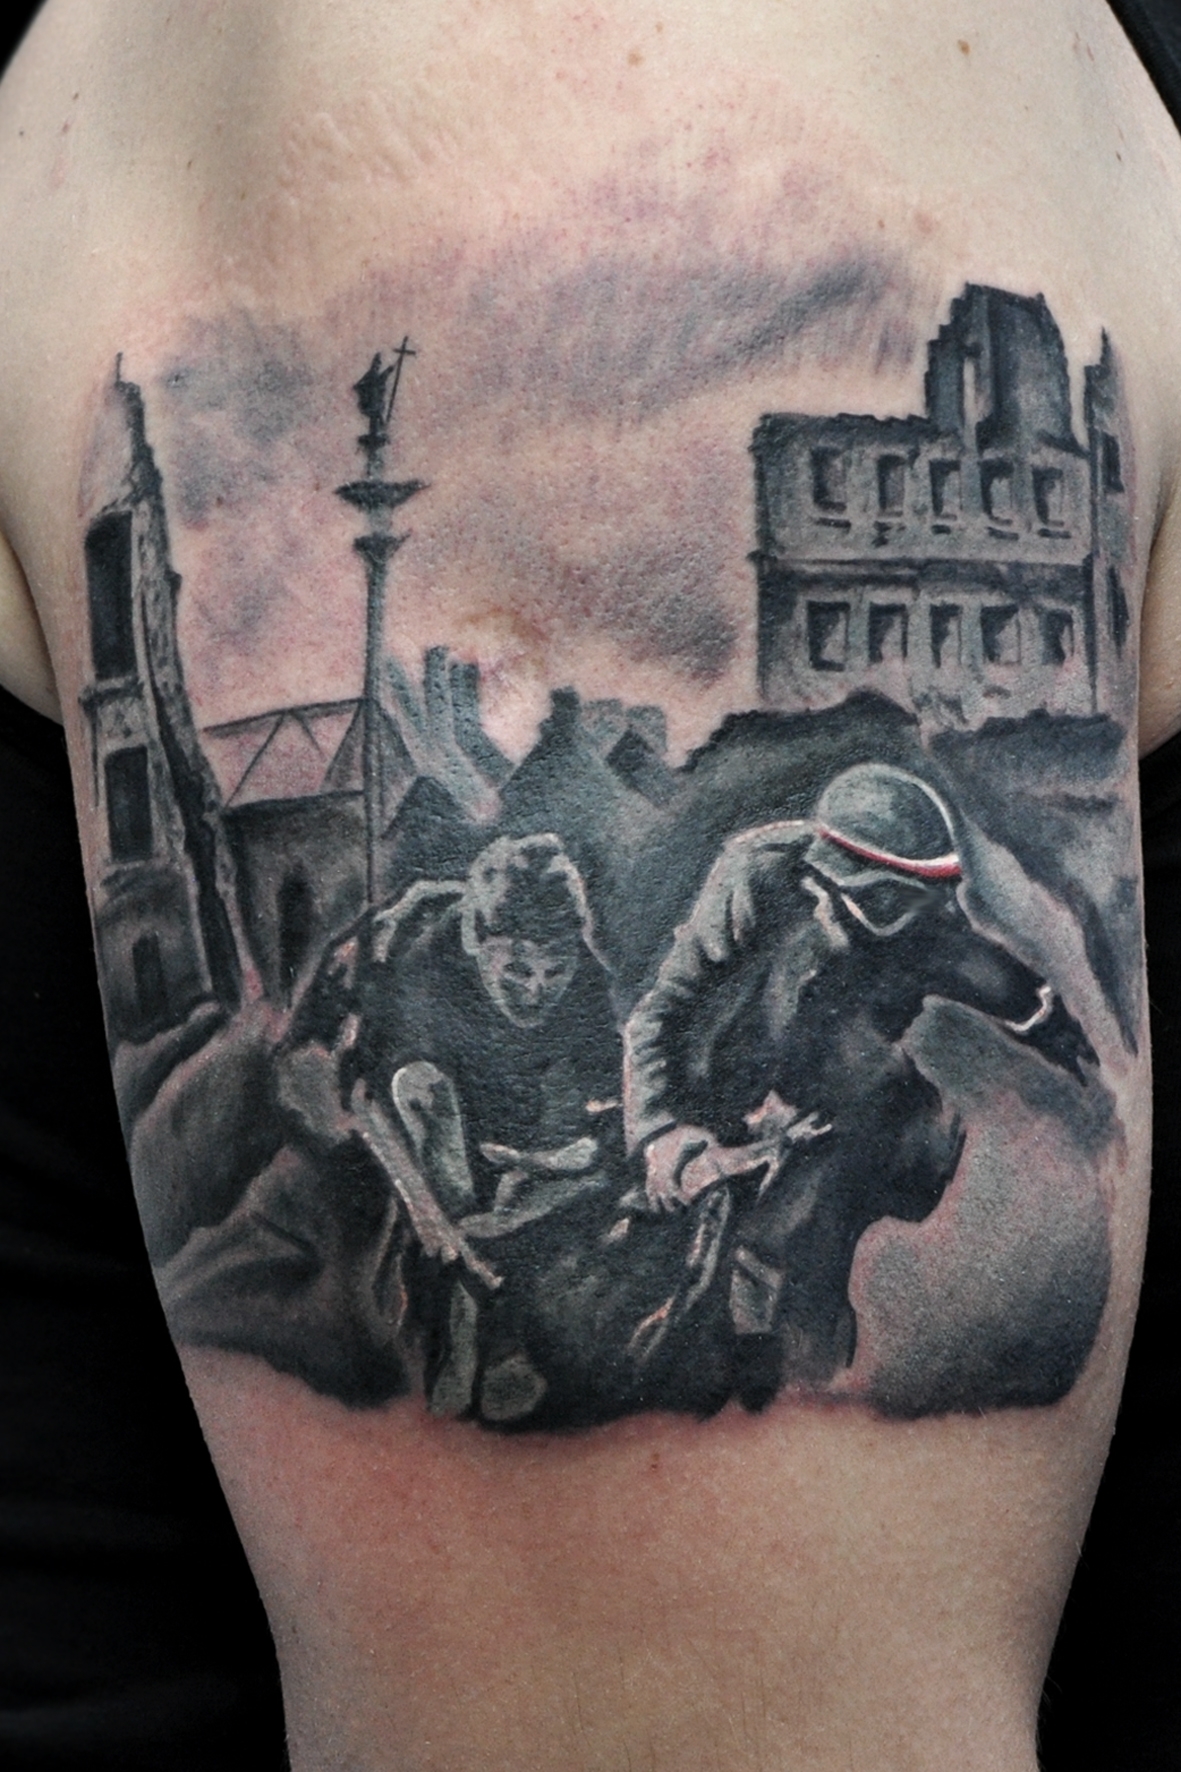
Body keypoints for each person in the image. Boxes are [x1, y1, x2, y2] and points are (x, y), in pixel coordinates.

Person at [625, 764, 1097, 1402]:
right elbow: (665, 1008)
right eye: (889, 905)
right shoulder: (753, 877)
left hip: (850, 1106)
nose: (914, 924)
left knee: (799, 1250)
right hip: (724, 1093)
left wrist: (1064, 1038)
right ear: (821, 882)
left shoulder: (930, 928)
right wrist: (658, 1128)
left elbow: (1011, 988)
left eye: (928, 904)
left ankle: (793, 1375)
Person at [158, 833, 624, 1424]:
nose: (536, 990)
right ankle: (462, 1327)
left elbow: (608, 1102)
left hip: (467, 1080)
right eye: (516, 971)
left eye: (552, 971)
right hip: (329, 1074)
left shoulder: (582, 974)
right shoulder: (419, 962)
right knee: (426, 1102)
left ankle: (486, 1316)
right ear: (477, 943)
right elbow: (365, 1097)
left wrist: (556, 1161)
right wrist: (430, 1217)